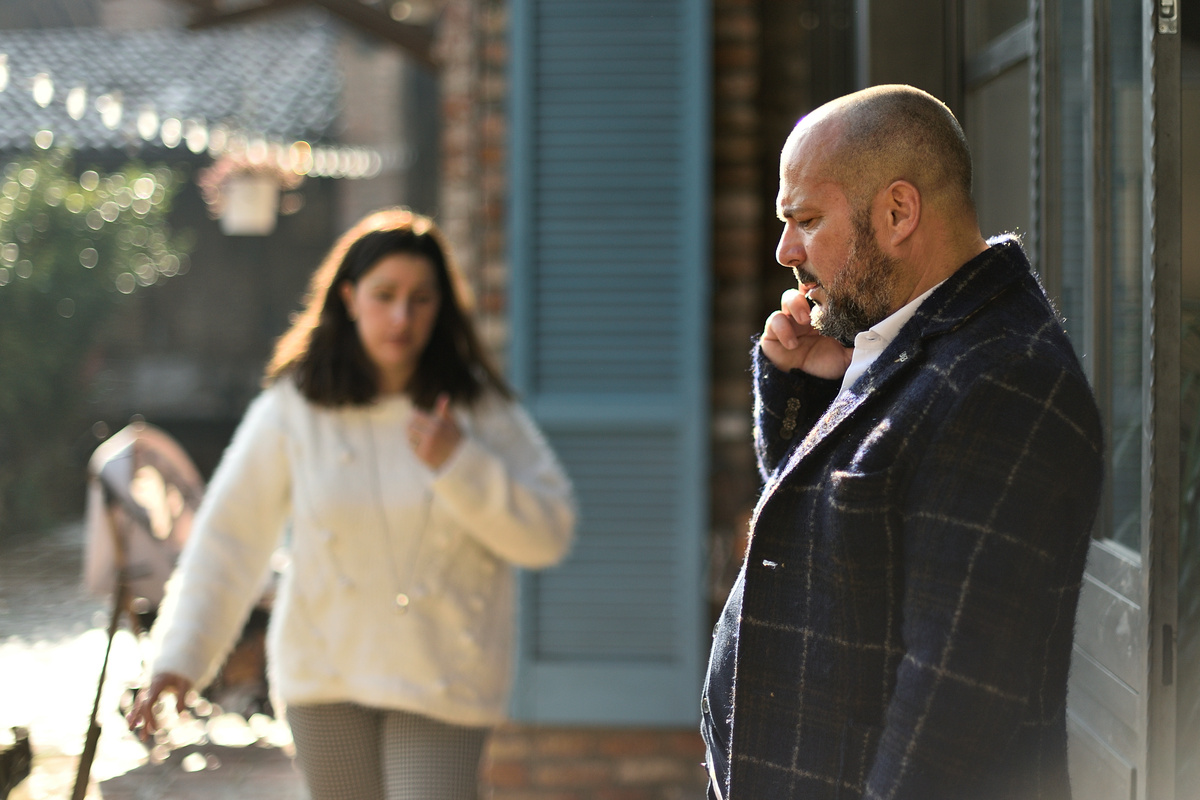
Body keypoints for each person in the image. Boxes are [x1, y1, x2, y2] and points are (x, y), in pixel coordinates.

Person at [701, 85, 1104, 800]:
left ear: (897, 212)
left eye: (807, 220)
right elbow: (826, 553)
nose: (786, 251)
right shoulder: (912, 338)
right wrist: (812, 389)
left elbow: (954, 712)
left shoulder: (1002, 381)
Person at [127, 208, 576, 800]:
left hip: (442, 678)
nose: (401, 317)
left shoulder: (475, 408)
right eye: (385, 295)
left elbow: (548, 534)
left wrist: (460, 463)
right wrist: (178, 659)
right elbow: (228, 540)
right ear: (349, 297)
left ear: (441, 307)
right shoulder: (294, 407)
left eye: (420, 299)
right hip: (325, 679)